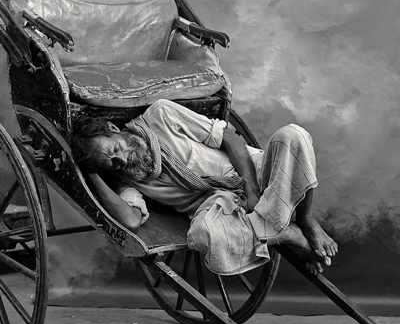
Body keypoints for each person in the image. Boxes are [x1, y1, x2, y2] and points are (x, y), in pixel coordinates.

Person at [71, 99, 338, 276]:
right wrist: (92, 172)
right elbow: (130, 219)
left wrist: (253, 190)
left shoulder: (160, 115)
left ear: (112, 127)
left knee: (293, 135)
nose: (122, 159)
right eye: (113, 164)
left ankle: (304, 219)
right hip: (224, 206)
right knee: (203, 234)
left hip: (256, 176)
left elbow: (230, 139)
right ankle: (285, 233)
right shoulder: (130, 179)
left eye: (116, 148)